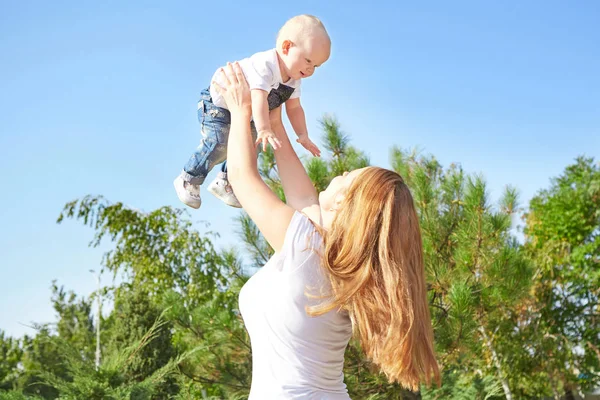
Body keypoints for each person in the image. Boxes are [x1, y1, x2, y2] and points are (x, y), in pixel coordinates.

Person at [213, 62, 440, 398]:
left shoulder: (307, 250)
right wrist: (273, 120)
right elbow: (303, 197)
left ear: (346, 203)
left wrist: (239, 106)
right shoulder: (335, 263)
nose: (341, 173)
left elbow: (244, 180)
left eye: (348, 175)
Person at [173, 14, 329, 210]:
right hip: (217, 104)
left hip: (244, 112)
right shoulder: (266, 64)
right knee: (219, 141)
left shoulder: (293, 79)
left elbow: (295, 108)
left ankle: (225, 181)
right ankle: (188, 178)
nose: (311, 69)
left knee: (250, 145)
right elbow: (258, 97)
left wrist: (303, 135)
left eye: (316, 65)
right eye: (308, 60)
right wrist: (264, 128)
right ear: (287, 47)